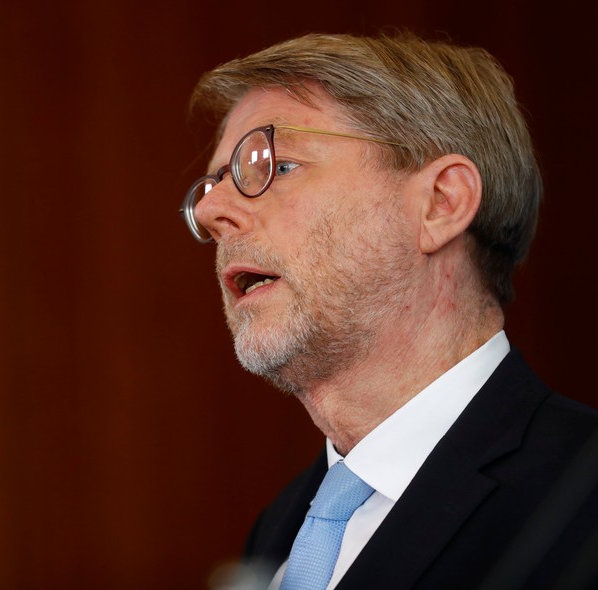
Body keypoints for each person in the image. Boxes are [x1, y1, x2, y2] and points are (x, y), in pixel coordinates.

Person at [180, 32, 598, 589]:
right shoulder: (281, 527)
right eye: (214, 183)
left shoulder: (581, 495)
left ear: (440, 203)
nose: (212, 210)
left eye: (273, 166)